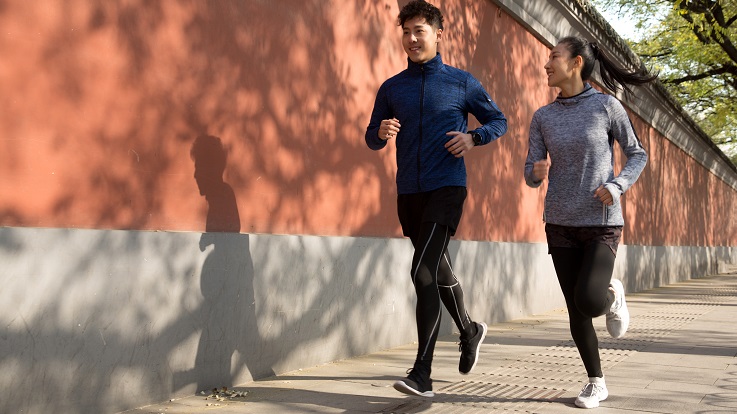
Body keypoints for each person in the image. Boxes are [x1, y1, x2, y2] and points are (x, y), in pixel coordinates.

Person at [365, 0, 507, 398]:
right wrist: (381, 132)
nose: (411, 39)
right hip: (409, 192)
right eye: (406, 32)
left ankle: (422, 374)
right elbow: (370, 135)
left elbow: (499, 121)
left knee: (422, 272)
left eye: (419, 31)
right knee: (438, 269)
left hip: (447, 187)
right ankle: (469, 329)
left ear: (438, 34)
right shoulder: (392, 88)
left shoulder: (461, 82)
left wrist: (472, 137)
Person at [524, 36, 654, 409]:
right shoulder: (543, 117)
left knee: (589, 299)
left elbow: (636, 154)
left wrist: (617, 185)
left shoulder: (606, 106)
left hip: (600, 221)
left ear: (576, 62)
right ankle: (596, 383)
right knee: (576, 310)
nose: (547, 64)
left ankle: (611, 293)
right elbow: (530, 171)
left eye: (554, 57)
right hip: (560, 222)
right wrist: (534, 173)